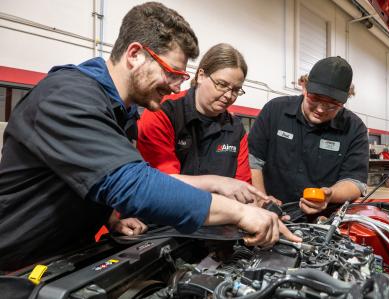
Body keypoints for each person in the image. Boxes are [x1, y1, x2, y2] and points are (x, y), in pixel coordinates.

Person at [0, 2, 299, 272]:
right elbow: (132, 183)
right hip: (14, 263)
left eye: (181, 77)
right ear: (135, 54)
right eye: (171, 73)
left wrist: (108, 217)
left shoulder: (122, 112)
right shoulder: (68, 96)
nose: (174, 86)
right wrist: (238, 212)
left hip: (62, 259)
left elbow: (82, 175)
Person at [137, 43, 260, 204]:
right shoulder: (164, 112)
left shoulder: (235, 129)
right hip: (163, 220)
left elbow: (241, 187)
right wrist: (218, 183)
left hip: (220, 222)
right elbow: (162, 183)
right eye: (222, 85)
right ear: (201, 75)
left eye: (236, 90)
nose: (228, 95)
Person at [249, 56, 369, 215]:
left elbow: (355, 182)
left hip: (323, 220)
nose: (320, 109)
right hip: (269, 213)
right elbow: (253, 160)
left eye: (331, 105)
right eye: (315, 99)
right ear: (304, 87)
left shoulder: (354, 128)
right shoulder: (275, 111)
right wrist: (262, 200)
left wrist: (329, 195)